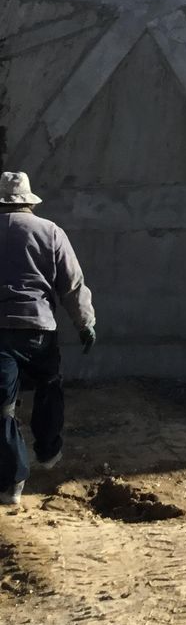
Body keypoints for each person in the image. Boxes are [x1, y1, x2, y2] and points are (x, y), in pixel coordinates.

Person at [0, 172, 96, 508]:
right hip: (39, 329)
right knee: (49, 385)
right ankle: (48, 450)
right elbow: (72, 284)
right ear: (29, 201)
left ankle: (12, 482)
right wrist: (85, 324)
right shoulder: (50, 231)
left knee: (3, 407)